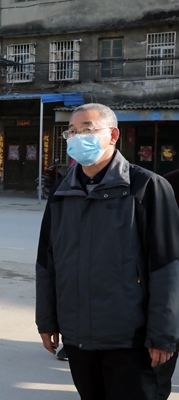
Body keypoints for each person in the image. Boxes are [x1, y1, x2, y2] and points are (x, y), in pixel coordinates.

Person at [36, 103, 179, 400]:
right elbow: (47, 262)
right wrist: (47, 320)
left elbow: (167, 266)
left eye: (87, 129)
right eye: (71, 131)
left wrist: (163, 334)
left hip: (133, 340)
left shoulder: (146, 187)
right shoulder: (62, 193)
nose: (77, 137)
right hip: (78, 338)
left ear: (113, 135)